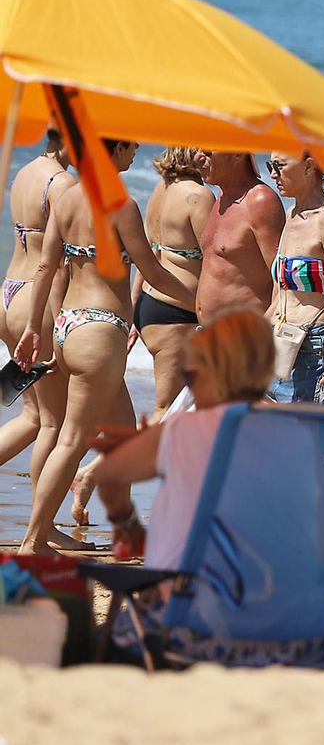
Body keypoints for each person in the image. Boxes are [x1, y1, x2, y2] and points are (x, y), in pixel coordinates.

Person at [78, 309, 324, 664]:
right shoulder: (296, 433)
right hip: (281, 623)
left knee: (91, 636)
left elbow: (111, 476)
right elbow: (316, 508)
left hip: (193, 626)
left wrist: (128, 524)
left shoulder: (185, 431)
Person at [13, 138, 195, 555]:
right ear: (112, 151)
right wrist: (199, 301)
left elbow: (47, 267)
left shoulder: (66, 199)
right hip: (100, 329)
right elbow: (152, 271)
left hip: (68, 325)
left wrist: (38, 328)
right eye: (129, 145)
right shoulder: (121, 205)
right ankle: (33, 541)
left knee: (124, 434)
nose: (136, 149)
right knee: (72, 440)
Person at [0, 133, 74, 501]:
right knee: (53, 423)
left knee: (32, 417)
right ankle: (40, 522)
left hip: (9, 292)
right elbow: (57, 265)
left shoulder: (25, 173)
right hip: (36, 300)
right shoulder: (62, 183)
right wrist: (62, 327)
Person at [264, 151, 324, 402]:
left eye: (279, 166)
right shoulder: (291, 214)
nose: (273, 174)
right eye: (270, 166)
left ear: (308, 166)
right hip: (283, 338)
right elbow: (281, 292)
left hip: (316, 343)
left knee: (307, 422)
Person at [135, 146, 214, 419]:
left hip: (150, 305)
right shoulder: (198, 196)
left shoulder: (161, 189)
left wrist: (134, 304)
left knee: (179, 409)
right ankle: (127, 450)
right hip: (177, 314)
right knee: (167, 410)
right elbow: (215, 260)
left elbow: (149, 254)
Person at [196, 151, 284, 323]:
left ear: (237, 154)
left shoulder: (260, 201)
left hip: (246, 333)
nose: (197, 158)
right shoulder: (223, 197)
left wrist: (265, 330)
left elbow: (282, 282)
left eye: (207, 151)